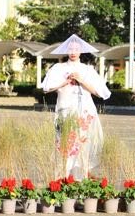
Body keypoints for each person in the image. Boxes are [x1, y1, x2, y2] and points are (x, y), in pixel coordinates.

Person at [40, 34, 111, 177]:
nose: (73, 52)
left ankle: (81, 179)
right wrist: (64, 82)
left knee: (83, 145)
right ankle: (63, 179)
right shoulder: (58, 68)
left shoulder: (87, 69)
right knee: (65, 145)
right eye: (70, 49)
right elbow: (46, 88)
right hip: (65, 110)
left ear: (81, 51)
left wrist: (81, 80)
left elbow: (100, 93)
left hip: (84, 112)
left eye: (76, 49)